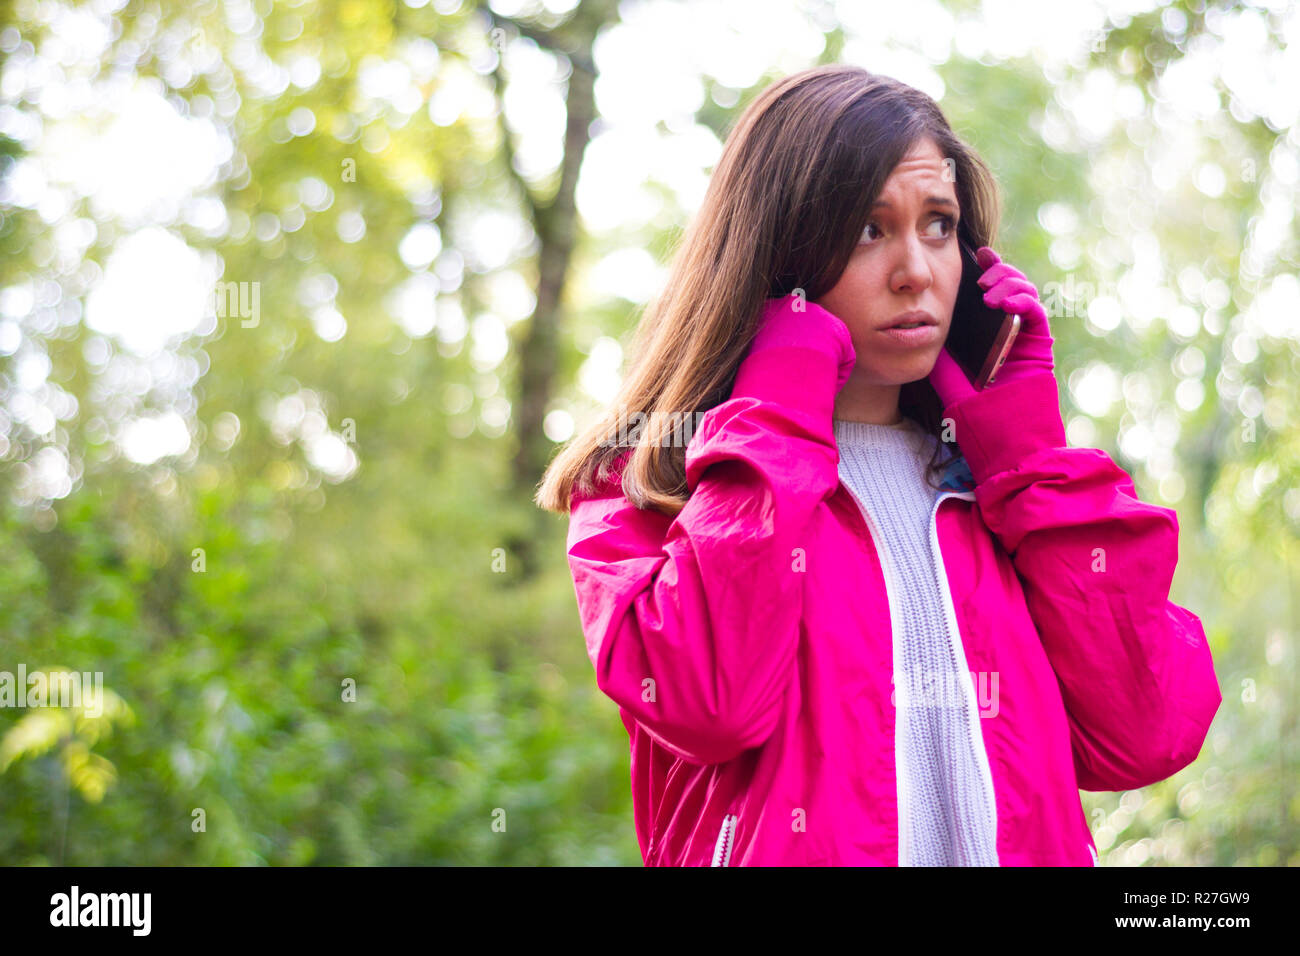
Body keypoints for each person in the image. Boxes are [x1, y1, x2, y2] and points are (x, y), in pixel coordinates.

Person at [533, 65, 1222, 866]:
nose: (916, 271)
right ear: (780, 249)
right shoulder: (650, 485)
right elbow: (707, 704)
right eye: (868, 229)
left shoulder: (1002, 497)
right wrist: (775, 419)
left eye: (938, 224)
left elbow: (1145, 733)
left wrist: (1030, 463)